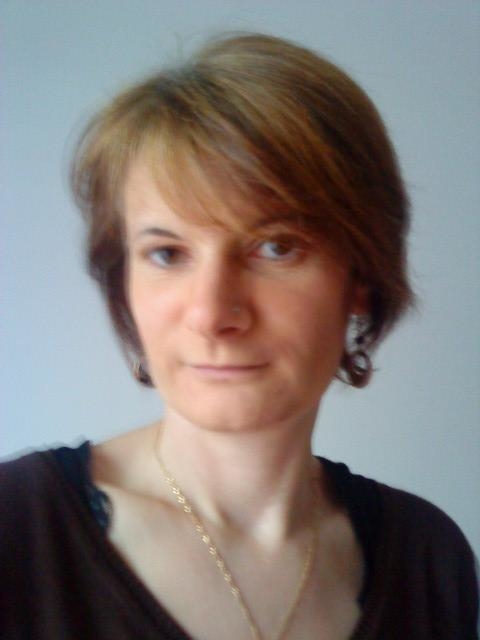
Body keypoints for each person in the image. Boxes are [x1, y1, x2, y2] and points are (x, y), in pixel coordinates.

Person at [1, 32, 478, 640]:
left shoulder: (430, 558)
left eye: (276, 247)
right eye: (167, 253)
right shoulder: (15, 531)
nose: (211, 313)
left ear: (362, 275)